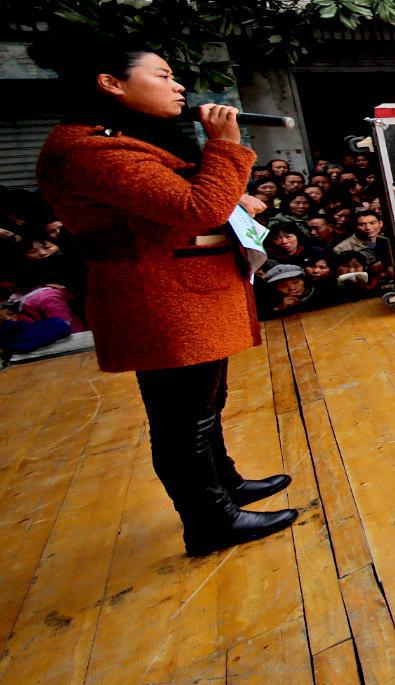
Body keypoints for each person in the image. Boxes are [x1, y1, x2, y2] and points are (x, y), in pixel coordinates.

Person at [34, 45, 296, 556]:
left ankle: (228, 485)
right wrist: (223, 144)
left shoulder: (121, 141)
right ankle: (211, 520)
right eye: (163, 75)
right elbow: (197, 207)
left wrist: (231, 195)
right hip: (158, 296)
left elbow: (180, 195)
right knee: (182, 419)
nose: (179, 86)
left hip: (185, 293)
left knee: (206, 404)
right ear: (111, 83)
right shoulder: (87, 150)